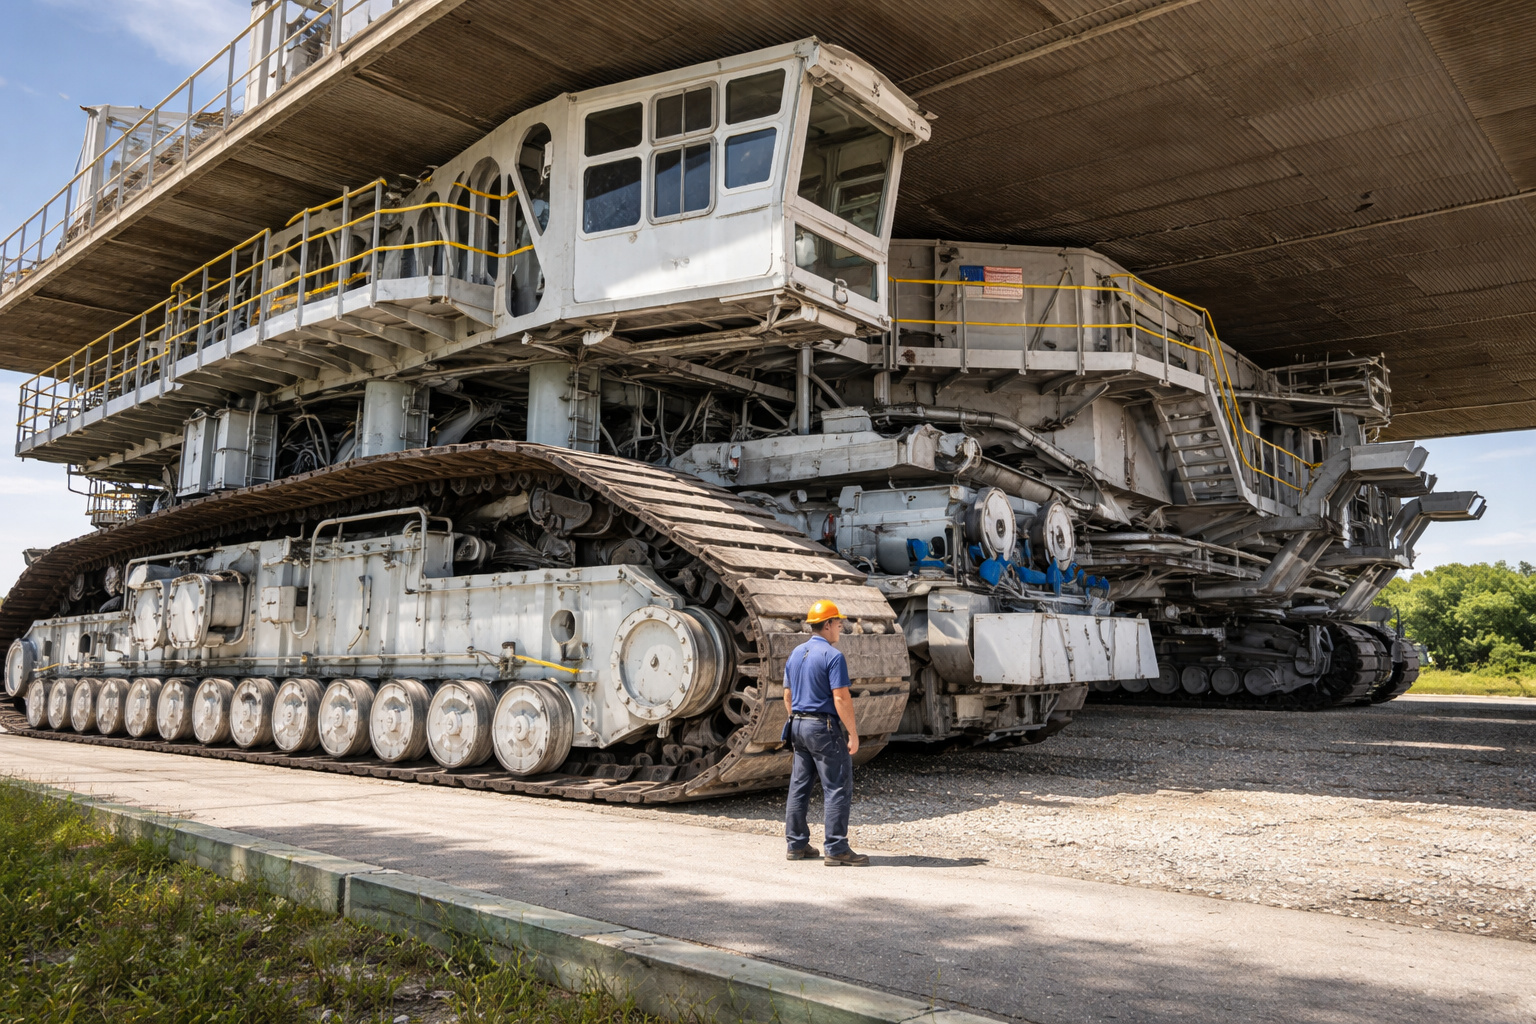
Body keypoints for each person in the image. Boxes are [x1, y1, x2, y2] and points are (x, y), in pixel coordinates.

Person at [783, 599, 869, 866]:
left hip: (798, 725)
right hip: (822, 727)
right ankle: (836, 848)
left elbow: (787, 695)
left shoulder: (796, 653)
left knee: (799, 786)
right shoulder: (833, 656)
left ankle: (796, 845)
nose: (841, 627)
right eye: (838, 623)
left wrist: (796, 720)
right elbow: (841, 697)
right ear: (828, 624)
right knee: (837, 786)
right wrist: (853, 733)